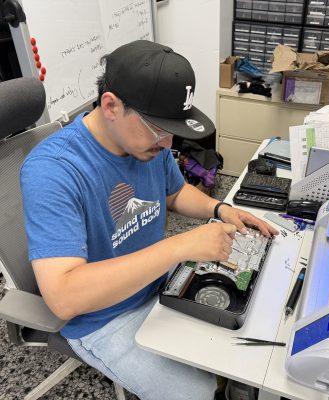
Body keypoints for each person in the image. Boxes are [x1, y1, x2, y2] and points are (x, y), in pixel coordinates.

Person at [20, 40, 278, 400]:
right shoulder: (54, 171)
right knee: (197, 393)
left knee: (248, 337)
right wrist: (180, 246)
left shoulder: (145, 144)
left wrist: (219, 210)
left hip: (161, 284)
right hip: (104, 318)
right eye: (158, 128)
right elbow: (64, 298)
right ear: (111, 106)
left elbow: (173, 192)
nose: (167, 141)